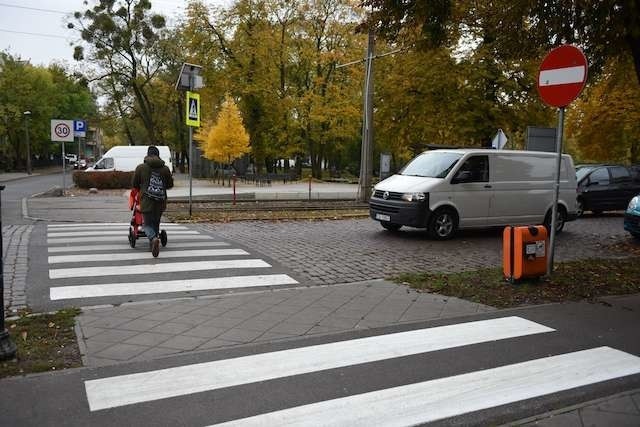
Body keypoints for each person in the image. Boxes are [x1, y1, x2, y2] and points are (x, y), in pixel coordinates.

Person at [132, 146, 174, 257]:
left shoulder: (141, 168)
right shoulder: (165, 169)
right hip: (160, 201)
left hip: (146, 201)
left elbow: (135, 184)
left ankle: (153, 239)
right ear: (158, 155)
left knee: (146, 224)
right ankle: (153, 244)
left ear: (147, 155)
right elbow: (170, 185)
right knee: (156, 222)